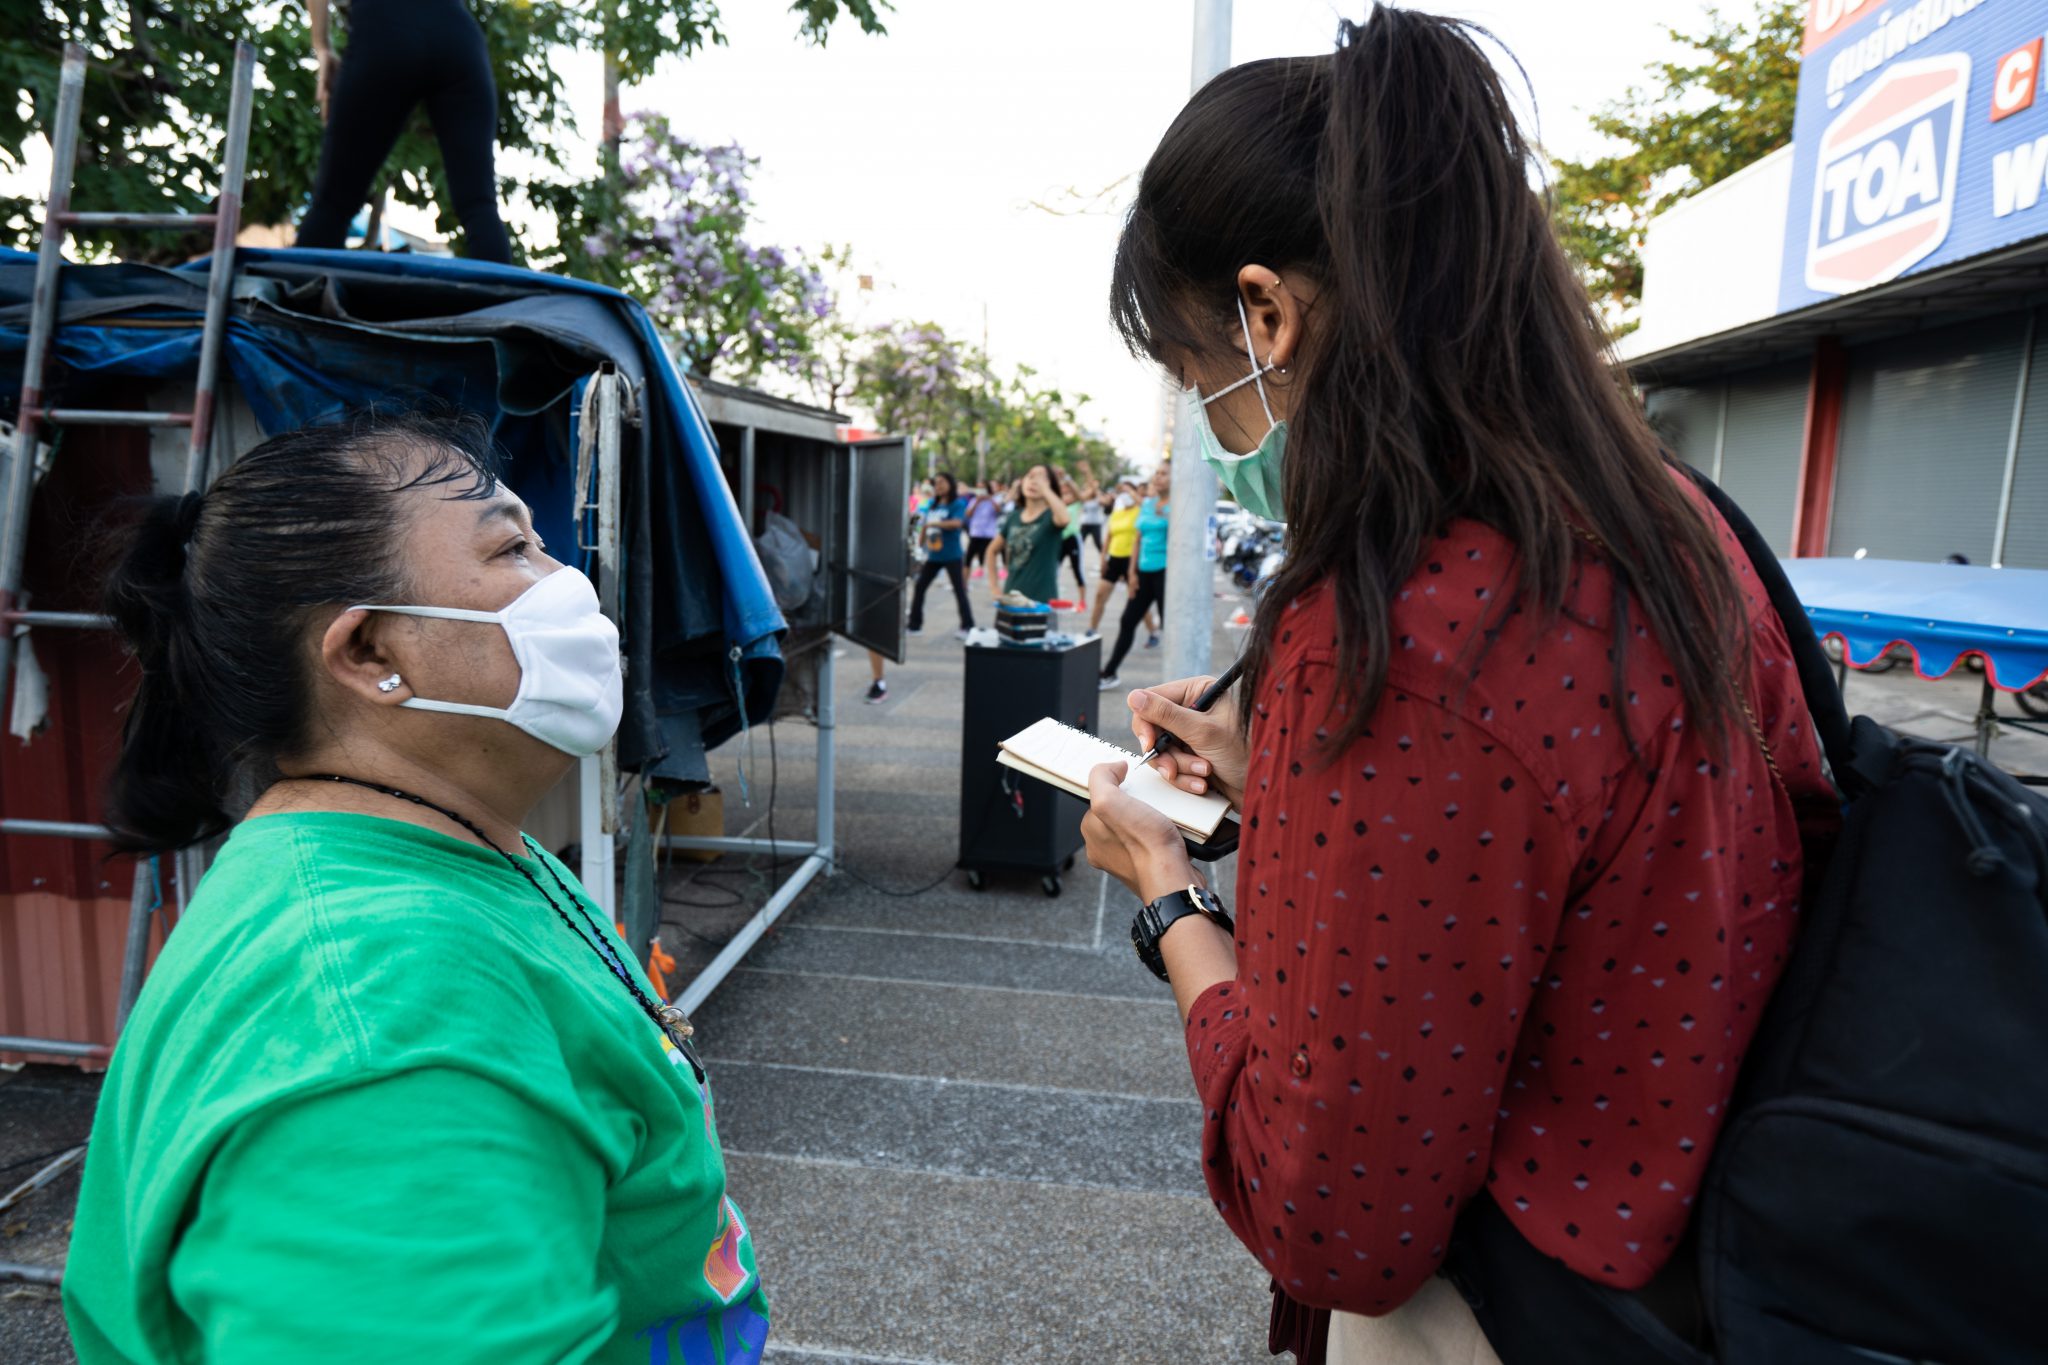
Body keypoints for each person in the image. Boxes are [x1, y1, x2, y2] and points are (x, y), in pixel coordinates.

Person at [1077, 8, 1835, 1361]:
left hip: (1513, 1312)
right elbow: (1565, 847)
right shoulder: (1669, 522)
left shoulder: (1400, 631)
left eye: (1201, 376)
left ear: (1269, 313)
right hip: (1732, 1266)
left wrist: (1169, 901)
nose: (1218, 426)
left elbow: (1338, 1217)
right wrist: (1279, 775)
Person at [62, 410, 769, 1362]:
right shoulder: (383, 1010)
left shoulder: (447, 850)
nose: (566, 586)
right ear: (368, 654)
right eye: (512, 547)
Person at [296, 0, 514, 263]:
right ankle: (507, 302)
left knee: (333, 204)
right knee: (479, 205)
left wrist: (322, 46)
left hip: (384, 29)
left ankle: (301, 297)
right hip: (460, 37)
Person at [1097, 463, 1172, 689]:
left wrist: (1169, 517)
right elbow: (1138, 539)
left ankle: (1181, 683)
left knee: (1170, 627)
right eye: (1156, 473)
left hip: (1165, 573)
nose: (1157, 477)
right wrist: (1132, 573)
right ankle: (1109, 673)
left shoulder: (1179, 508)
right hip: (1142, 572)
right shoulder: (1148, 504)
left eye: (1163, 474)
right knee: (1127, 620)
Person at [982, 463, 1069, 606]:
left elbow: (1064, 519)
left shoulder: (1051, 516)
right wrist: (995, 589)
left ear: (1051, 487)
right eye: (1031, 476)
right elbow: (991, 550)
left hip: (1041, 602)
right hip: (1011, 598)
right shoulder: (1014, 517)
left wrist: (1045, 489)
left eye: (1042, 478)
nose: (1035, 481)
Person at [907, 470, 975, 637]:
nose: (938, 486)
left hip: (952, 555)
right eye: (936, 483)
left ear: (950, 484)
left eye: (942, 482)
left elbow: (957, 523)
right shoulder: (932, 504)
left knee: (959, 590)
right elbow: (924, 526)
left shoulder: (957, 504)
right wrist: (919, 549)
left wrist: (934, 524)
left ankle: (968, 626)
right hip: (934, 556)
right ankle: (914, 625)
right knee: (920, 587)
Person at [1090, 479, 1142, 635]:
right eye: (1122, 493)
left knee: (1136, 600)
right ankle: (1091, 629)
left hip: (1131, 560)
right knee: (1100, 595)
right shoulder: (1117, 513)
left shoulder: (1140, 511)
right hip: (1114, 558)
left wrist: (1131, 491)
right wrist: (1103, 559)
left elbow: (1144, 504)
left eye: (1127, 492)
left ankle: (1152, 630)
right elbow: (1108, 538)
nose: (1124, 495)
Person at [1057, 473, 1091, 610]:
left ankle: (1082, 601)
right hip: (1059, 540)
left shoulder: (1076, 503)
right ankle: (1053, 598)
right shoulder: (1058, 503)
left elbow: (1079, 494)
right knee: (1054, 571)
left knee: (1077, 571)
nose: (1066, 494)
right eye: (1063, 490)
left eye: (1068, 491)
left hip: (1072, 539)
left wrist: (1068, 479)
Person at [965, 483, 1003, 577]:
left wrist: (990, 499)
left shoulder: (994, 500)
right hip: (976, 533)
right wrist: (977, 502)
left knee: (990, 556)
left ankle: (991, 576)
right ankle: (965, 582)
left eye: (983, 489)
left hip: (988, 534)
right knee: (968, 558)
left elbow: (999, 511)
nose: (981, 491)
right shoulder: (974, 500)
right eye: (979, 488)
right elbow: (968, 514)